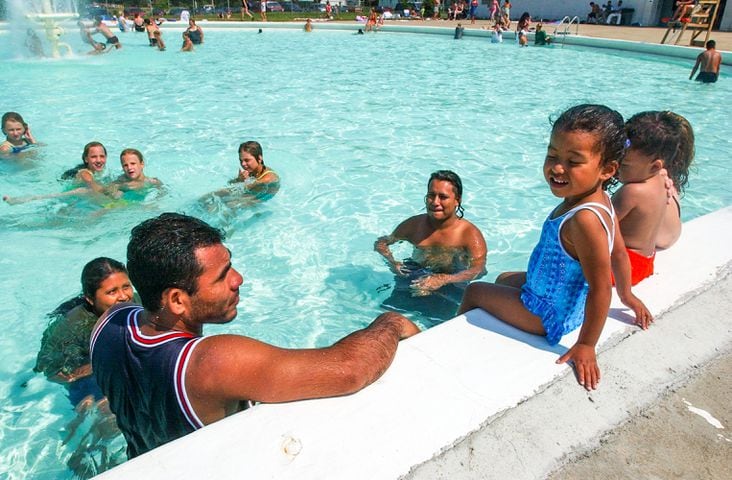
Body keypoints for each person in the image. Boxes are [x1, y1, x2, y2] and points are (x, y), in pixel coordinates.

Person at [89, 213, 419, 458]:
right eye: (222, 276)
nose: (238, 279)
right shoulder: (210, 363)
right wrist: (388, 323)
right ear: (176, 300)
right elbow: (349, 370)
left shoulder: (107, 324)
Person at [458, 104, 651, 391]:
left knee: (475, 291)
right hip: (559, 301)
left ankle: (455, 344)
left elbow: (600, 288)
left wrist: (586, 344)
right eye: (552, 155)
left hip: (546, 315)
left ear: (607, 170)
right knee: (502, 279)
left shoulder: (584, 219)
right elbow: (619, 254)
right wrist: (628, 295)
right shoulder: (602, 203)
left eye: (574, 162)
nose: (557, 168)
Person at [35, 257, 133, 477]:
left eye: (126, 286)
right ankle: (85, 458)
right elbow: (47, 367)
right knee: (110, 418)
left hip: (116, 365)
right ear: (90, 298)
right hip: (87, 377)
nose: (123, 296)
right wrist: (91, 367)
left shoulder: (135, 303)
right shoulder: (72, 326)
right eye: (112, 292)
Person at [375, 170, 487, 320]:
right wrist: (393, 263)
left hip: (451, 285)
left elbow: (479, 270)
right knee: (386, 318)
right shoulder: (414, 225)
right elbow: (382, 243)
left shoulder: (469, 234)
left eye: (443, 197)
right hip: (413, 275)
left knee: (437, 326)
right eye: (431, 195)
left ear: (457, 200)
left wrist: (443, 279)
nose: (435, 202)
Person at [622, 112, 694, 252]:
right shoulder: (664, 178)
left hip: (656, 241)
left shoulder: (634, 189)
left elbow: (604, 222)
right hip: (671, 236)